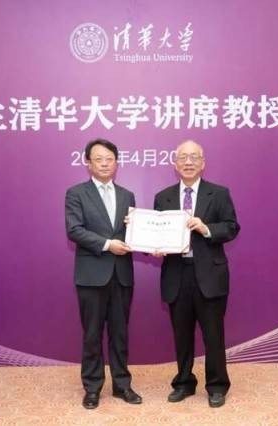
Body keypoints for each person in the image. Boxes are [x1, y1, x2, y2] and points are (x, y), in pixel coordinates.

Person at [153, 140, 240, 408]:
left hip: (209, 275)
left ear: (203, 163)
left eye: (194, 157)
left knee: (213, 335)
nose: (188, 162)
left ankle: (217, 385)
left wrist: (206, 228)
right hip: (176, 274)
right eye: (183, 157)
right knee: (182, 335)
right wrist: (155, 246)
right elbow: (156, 231)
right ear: (175, 164)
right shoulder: (163, 197)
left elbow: (231, 227)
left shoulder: (219, 193)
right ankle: (183, 383)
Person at [65, 138, 142, 409]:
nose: (105, 164)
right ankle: (92, 387)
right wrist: (109, 244)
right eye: (99, 159)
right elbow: (74, 230)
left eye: (110, 159)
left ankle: (122, 385)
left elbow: (133, 233)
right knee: (92, 334)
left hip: (121, 275)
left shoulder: (127, 195)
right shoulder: (76, 193)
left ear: (116, 163)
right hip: (91, 275)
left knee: (120, 334)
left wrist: (148, 241)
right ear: (88, 163)